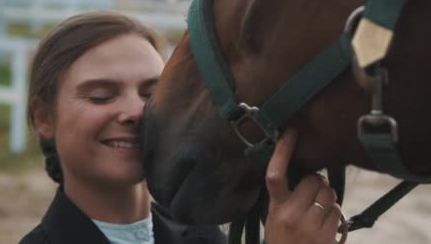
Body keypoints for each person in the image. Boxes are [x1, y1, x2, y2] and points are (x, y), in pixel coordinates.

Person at [19, 12, 341, 244]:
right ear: (44, 117)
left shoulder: (204, 233)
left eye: (151, 93)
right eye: (101, 96)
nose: (136, 112)